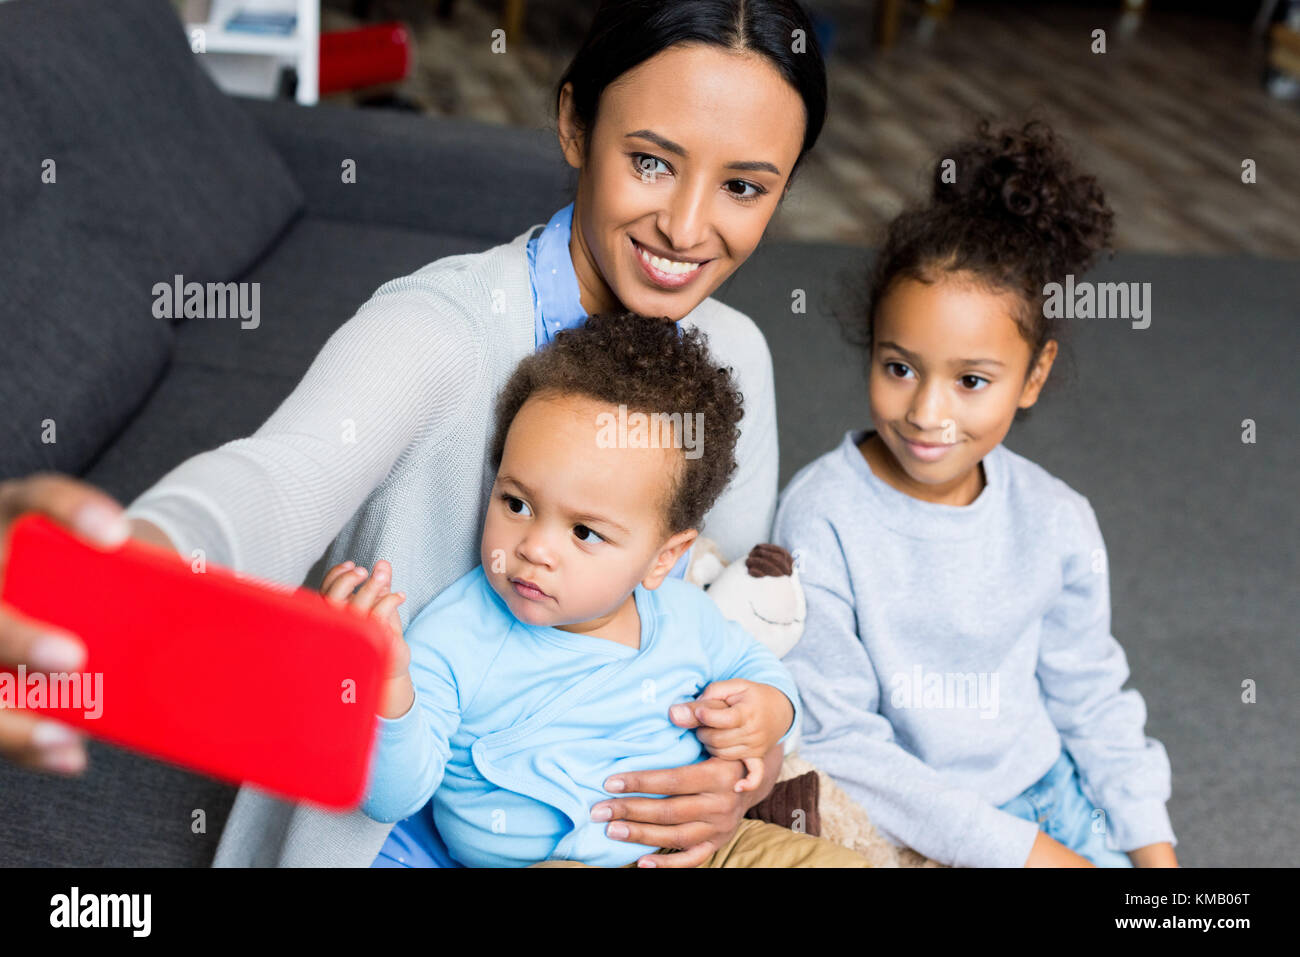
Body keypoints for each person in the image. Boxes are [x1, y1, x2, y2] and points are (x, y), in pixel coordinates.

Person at [0, 0, 828, 867]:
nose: (688, 228)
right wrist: (121, 563)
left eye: (743, 185)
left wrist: (745, 762)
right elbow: (277, 483)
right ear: (575, 124)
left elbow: (722, 609)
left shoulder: (735, 354)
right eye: (653, 162)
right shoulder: (440, 329)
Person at [772, 119, 1179, 868]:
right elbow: (841, 740)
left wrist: (1156, 857)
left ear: (1033, 375)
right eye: (899, 367)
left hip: (1055, 805)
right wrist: (1023, 854)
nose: (928, 412)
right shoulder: (820, 514)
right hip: (916, 827)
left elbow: (1091, 697)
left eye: (971, 381)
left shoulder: (1056, 518)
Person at [328, 312, 868, 867]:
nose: (534, 547)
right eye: (516, 503)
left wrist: (771, 710)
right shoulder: (453, 635)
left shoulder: (685, 616)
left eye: (584, 531)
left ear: (664, 559)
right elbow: (391, 797)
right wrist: (387, 685)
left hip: (700, 849)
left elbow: (763, 669)